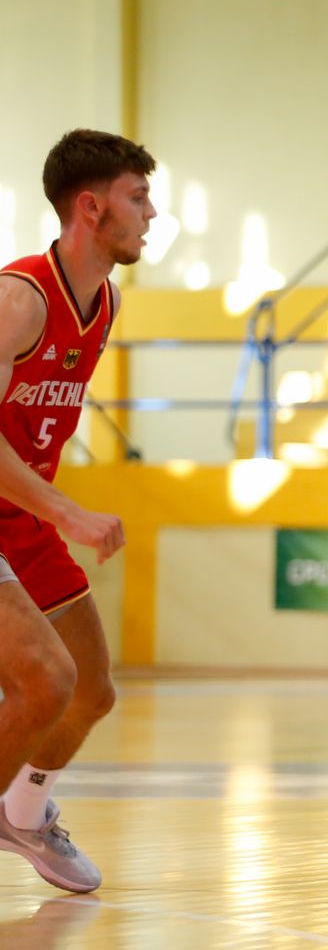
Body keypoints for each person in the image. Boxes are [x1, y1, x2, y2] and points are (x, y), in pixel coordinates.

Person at [0, 129, 153, 893]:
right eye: (137, 196)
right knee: (43, 682)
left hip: (18, 515)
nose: (151, 212)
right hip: (15, 508)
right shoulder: (18, 299)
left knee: (91, 690)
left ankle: (22, 816)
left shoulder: (104, 304)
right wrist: (72, 513)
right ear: (90, 209)